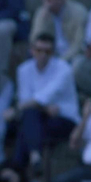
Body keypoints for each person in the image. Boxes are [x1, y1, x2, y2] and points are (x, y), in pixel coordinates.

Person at [15, 34, 78, 171]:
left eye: (47, 51)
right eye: (39, 50)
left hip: (65, 118)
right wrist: (43, 108)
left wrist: (26, 107)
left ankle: (18, 169)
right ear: (32, 50)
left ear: (53, 52)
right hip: (39, 116)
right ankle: (35, 157)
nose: (43, 55)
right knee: (28, 121)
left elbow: (42, 97)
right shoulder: (23, 70)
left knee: (26, 126)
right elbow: (26, 101)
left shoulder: (64, 69)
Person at [28, 0, 87, 77]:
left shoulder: (79, 12)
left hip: (72, 55)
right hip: (49, 55)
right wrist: (43, 18)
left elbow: (79, 44)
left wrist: (61, 60)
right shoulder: (41, 13)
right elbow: (34, 41)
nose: (52, 2)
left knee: (77, 65)